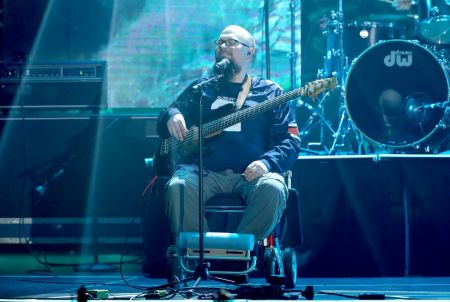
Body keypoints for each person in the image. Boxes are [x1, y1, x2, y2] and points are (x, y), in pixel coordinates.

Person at [156, 25, 301, 245]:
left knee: (273, 188)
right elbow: (171, 110)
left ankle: (238, 253)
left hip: (251, 174)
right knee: (179, 188)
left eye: (231, 43)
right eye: (219, 43)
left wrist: (266, 163)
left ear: (249, 52)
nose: (223, 47)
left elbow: (290, 141)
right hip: (202, 171)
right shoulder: (202, 88)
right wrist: (172, 115)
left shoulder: (270, 92)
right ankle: (199, 254)